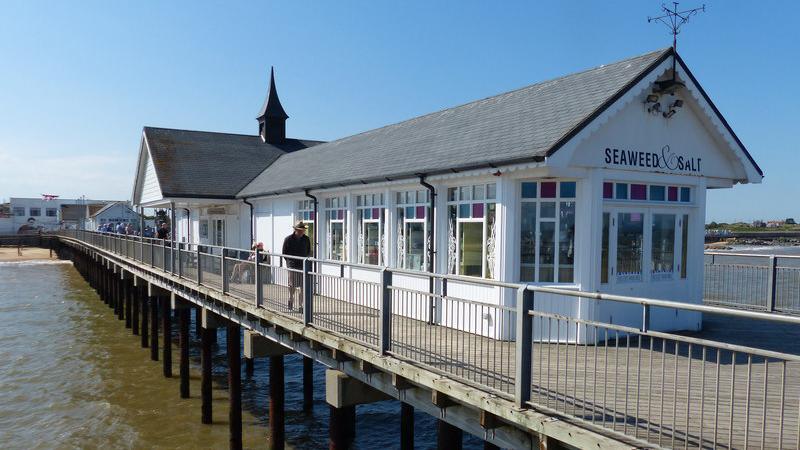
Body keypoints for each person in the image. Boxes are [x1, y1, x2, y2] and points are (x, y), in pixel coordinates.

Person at [282, 221, 311, 310]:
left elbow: (308, 251)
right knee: (292, 284)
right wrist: (290, 263)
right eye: (300, 230)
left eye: (303, 230)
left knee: (302, 286)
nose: (302, 232)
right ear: (295, 230)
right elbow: (284, 253)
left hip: (303, 265)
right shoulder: (288, 239)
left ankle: (300, 306)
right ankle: (291, 298)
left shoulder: (306, 239)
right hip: (292, 265)